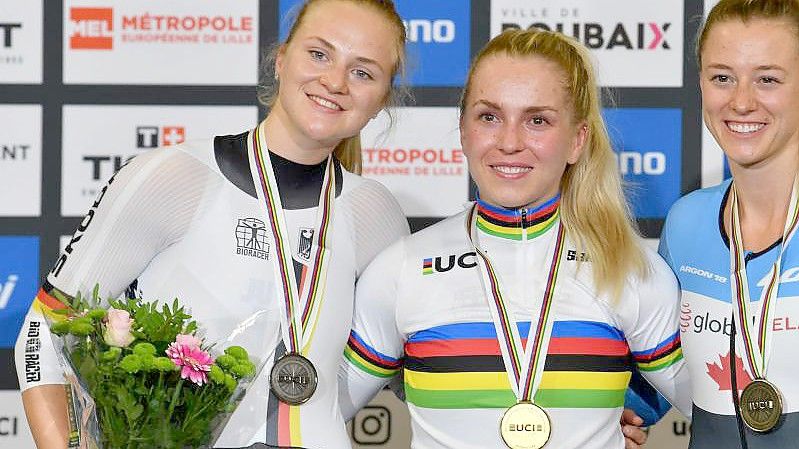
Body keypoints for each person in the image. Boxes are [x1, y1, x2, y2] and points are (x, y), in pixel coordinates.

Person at [14, 0, 410, 448]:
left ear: (382, 100)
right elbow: (43, 331)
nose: (335, 81)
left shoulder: (377, 214)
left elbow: (382, 370)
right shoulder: (173, 175)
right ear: (280, 59)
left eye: (363, 72)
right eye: (319, 54)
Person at [338, 28, 692, 449]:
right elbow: (308, 415)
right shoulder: (403, 268)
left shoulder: (629, 268)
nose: (509, 142)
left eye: (537, 120)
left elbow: (724, 414)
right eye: (489, 116)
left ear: (577, 140)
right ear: (464, 129)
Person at [659, 0, 799, 447]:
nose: (741, 101)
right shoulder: (687, 222)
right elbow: (657, 372)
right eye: (722, 77)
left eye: (768, 79)